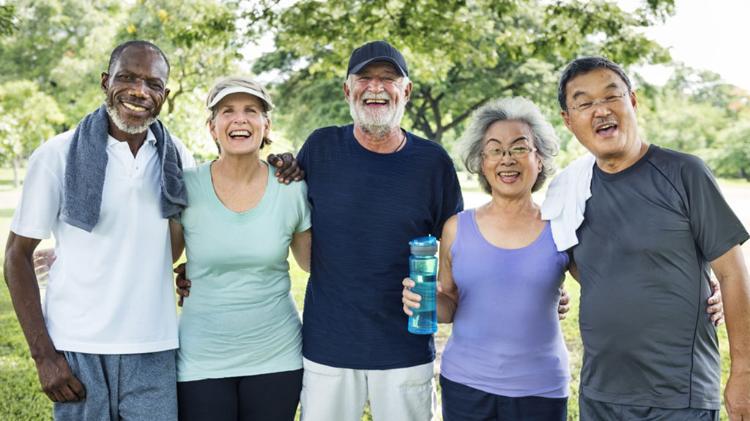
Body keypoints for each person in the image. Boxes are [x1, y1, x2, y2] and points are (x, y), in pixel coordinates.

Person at [3, 40, 194, 420]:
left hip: (154, 346)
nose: (139, 91)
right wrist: (44, 356)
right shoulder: (57, 155)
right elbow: (16, 257)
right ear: (106, 82)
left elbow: (170, 246)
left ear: (165, 94)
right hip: (78, 348)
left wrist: (195, 268)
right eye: (127, 78)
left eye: (153, 84)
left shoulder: (179, 158)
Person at [556, 56, 750, 420]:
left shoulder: (684, 173)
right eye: (584, 103)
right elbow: (577, 265)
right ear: (569, 120)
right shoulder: (569, 190)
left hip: (679, 397)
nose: (600, 111)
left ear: (632, 101)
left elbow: (733, 273)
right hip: (600, 394)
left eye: (611, 96)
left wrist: (744, 373)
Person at [293, 40, 464, 421]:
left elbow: (460, 252)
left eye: (388, 78)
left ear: (406, 91)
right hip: (328, 347)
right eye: (364, 78)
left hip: (405, 347)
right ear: (347, 90)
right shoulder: (320, 148)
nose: (375, 87)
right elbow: (278, 213)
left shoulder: (433, 163)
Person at [403, 97, 570, 420]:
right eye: (495, 149)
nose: (507, 159)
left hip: (541, 388)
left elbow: (600, 281)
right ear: (481, 161)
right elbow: (450, 303)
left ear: (540, 159)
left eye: (520, 148)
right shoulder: (456, 228)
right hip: (466, 385)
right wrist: (421, 300)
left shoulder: (561, 228)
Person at [170, 76, 311, 421]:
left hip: (277, 353)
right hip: (201, 355)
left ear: (266, 125)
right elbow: (163, 256)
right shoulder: (185, 186)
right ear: (212, 127)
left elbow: (312, 263)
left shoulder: (291, 187)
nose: (240, 119)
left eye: (251, 110)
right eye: (227, 111)